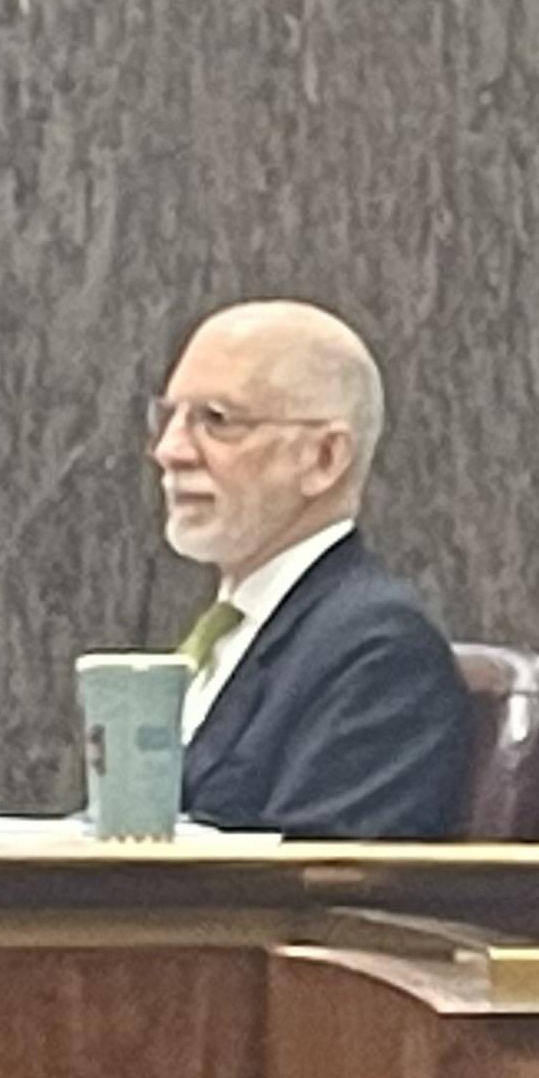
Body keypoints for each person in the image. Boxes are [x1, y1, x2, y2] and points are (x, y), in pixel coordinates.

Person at [145, 300, 470, 839]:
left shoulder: (379, 651)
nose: (170, 450)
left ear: (323, 458)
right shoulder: (231, 631)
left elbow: (318, 893)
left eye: (217, 421)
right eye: (168, 417)